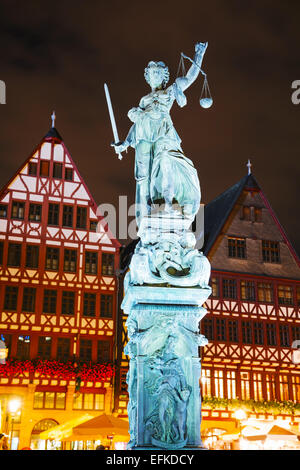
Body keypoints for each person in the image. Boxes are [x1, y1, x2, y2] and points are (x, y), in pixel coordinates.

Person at [112, 42, 208, 227]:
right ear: (148, 78)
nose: (154, 76)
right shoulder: (144, 100)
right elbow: (138, 123)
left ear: (163, 77)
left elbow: (190, 77)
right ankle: (145, 216)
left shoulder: (170, 91)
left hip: (163, 134)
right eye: (151, 74)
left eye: (157, 73)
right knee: (143, 177)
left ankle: (167, 203)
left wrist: (199, 56)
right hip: (143, 138)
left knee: (166, 164)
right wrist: (125, 143)